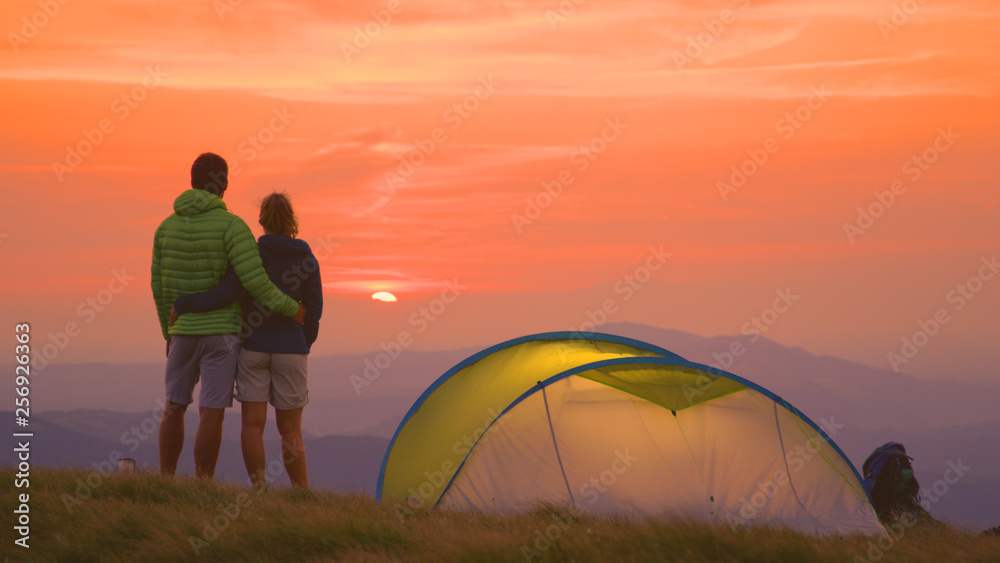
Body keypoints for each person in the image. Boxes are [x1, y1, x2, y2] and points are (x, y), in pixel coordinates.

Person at [151, 153, 305, 479]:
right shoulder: (233, 227)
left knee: (174, 406)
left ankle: (165, 478)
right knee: (212, 413)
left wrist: (169, 331)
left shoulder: (165, 228)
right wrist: (293, 309)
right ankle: (204, 482)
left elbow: (159, 287)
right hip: (222, 334)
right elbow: (256, 283)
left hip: (181, 331)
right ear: (223, 184)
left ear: (192, 181)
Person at [171, 192, 323, 489]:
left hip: (253, 347)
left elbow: (230, 292)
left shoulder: (251, 254)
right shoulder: (307, 258)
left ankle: (259, 488)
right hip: (291, 350)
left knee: (252, 424)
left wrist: (184, 303)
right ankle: (301, 492)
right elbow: (314, 311)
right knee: (291, 429)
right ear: (292, 220)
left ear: (261, 219)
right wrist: (303, 342)